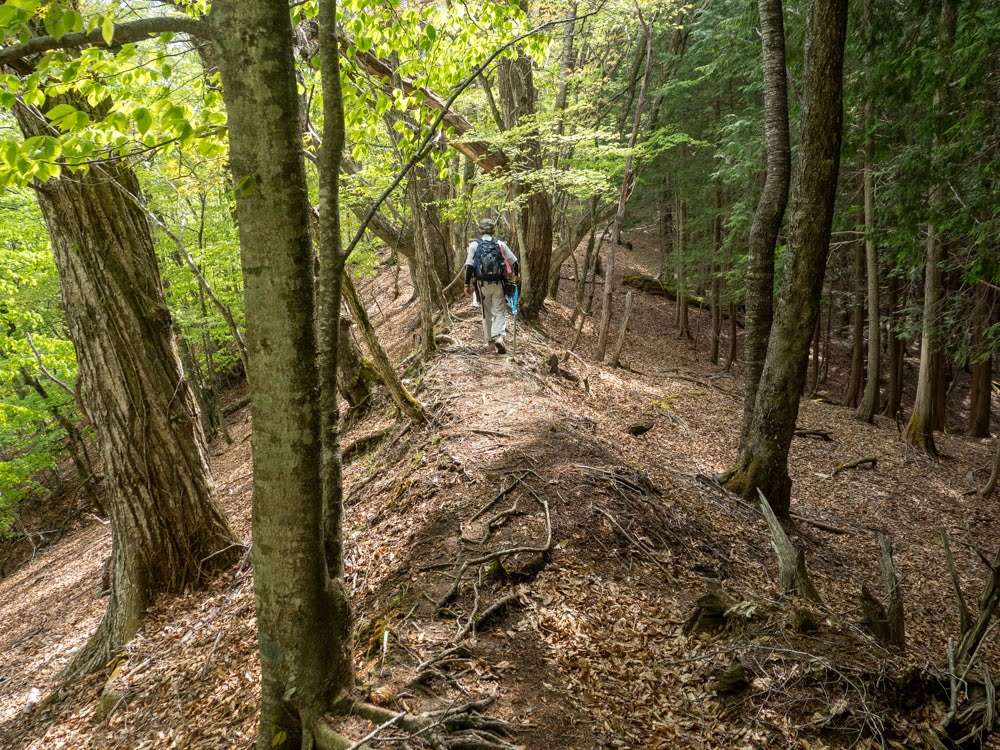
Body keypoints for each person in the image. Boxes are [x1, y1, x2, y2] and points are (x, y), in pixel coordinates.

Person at [464, 218, 519, 354]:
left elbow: (469, 267)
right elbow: (515, 262)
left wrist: (466, 284)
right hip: (498, 284)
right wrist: (516, 276)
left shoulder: (474, 245)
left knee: (486, 313)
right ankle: (498, 337)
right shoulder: (500, 244)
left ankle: (489, 341)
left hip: (481, 285)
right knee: (499, 311)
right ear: (493, 230)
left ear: (481, 230)